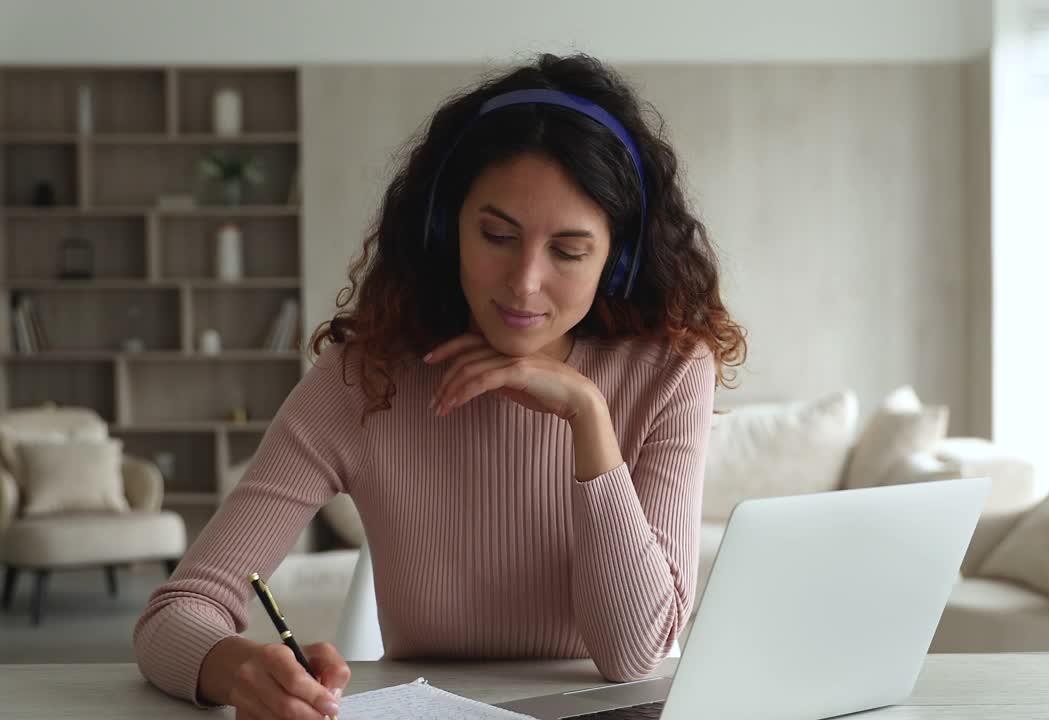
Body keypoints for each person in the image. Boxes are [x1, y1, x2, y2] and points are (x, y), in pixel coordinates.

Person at [133, 52, 746, 719]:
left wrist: (586, 413)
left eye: (568, 251)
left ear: (619, 261)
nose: (524, 282)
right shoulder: (363, 379)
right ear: (443, 226)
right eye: (496, 235)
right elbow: (175, 614)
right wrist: (237, 669)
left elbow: (634, 655)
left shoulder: (668, 373)